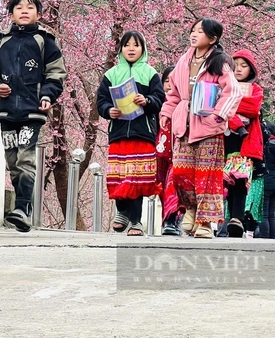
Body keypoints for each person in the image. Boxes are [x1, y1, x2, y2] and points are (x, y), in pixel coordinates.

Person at [0, 0, 66, 232]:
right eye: (19, 7)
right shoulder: (0, 41)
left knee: (25, 158)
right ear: (11, 14)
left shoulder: (45, 41)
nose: (24, 11)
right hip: (6, 112)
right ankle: (24, 210)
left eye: (30, 7)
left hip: (32, 111)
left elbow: (56, 73)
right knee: (12, 161)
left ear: (38, 15)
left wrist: (47, 95)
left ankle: (21, 207)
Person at [159, 18, 243, 239]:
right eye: (193, 30)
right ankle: (191, 209)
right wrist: (167, 113)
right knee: (181, 172)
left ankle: (205, 222)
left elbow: (232, 92)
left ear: (212, 38)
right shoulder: (184, 60)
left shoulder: (220, 62)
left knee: (207, 176)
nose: (194, 34)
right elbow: (174, 92)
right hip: (183, 126)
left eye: (200, 31)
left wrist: (219, 116)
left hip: (208, 127)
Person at [96, 31, 166, 236]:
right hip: (118, 133)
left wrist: (147, 101)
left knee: (137, 177)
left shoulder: (150, 73)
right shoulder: (111, 74)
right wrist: (109, 110)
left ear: (143, 49)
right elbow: (101, 101)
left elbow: (159, 99)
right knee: (119, 175)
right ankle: (122, 211)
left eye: (136, 45)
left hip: (142, 133)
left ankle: (135, 221)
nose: (131, 49)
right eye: (127, 45)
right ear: (121, 49)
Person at [220, 49, 264, 238]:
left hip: (245, 141)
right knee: (227, 181)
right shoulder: (222, 86)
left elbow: (252, 108)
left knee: (240, 179)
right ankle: (231, 219)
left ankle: (237, 218)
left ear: (251, 70)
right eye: (235, 66)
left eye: (244, 66)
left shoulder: (256, 90)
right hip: (225, 140)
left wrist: (229, 102)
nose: (238, 70)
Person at [156, 66, 182, 236]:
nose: (170, 85)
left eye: (173, 81)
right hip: (158, 152)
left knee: (173, 183)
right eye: (166, 81)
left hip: (178, 152)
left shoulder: (183, 104)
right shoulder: (157, 102)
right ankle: (169, 217)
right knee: (160, 186)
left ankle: (171, 220)